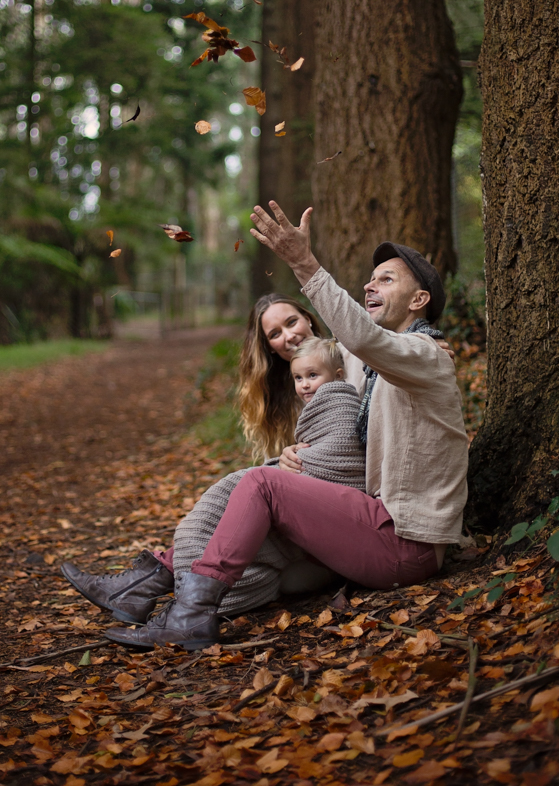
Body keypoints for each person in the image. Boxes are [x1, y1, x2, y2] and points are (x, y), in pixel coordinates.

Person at [101, 202, 468, 651]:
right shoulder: (376, 365)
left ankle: (191, 616)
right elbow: (340, 347)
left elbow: (358, 336)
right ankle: (155, 587)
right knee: (264, 492)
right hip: (375, 527)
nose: (370, 285)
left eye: (386, 279)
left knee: (263, 484)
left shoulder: (423, 354)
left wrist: (302, 262)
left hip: (404, 542)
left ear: (419, 300)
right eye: (370, 279)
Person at [61, 292, 359, 622]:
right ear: (269, 347)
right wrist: (284, 459)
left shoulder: (348, 359)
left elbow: (342, 454)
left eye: (291, 322)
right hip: (299, 517)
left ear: (309, 318)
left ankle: (146, 586)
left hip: (336, 519)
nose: (288, 336)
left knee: (246, 498)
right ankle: (144, 590)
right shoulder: (287, 392)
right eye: (275, 334)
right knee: (242, 508)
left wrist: (288, 467)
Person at [288, 337, 365, 486]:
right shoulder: (314, 409)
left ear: (338, 375)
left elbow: (340, 448)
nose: (304, 384)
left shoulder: (344, 406)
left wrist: (300, 455)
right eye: (298, 378)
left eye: (312, 375)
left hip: (342, 485)